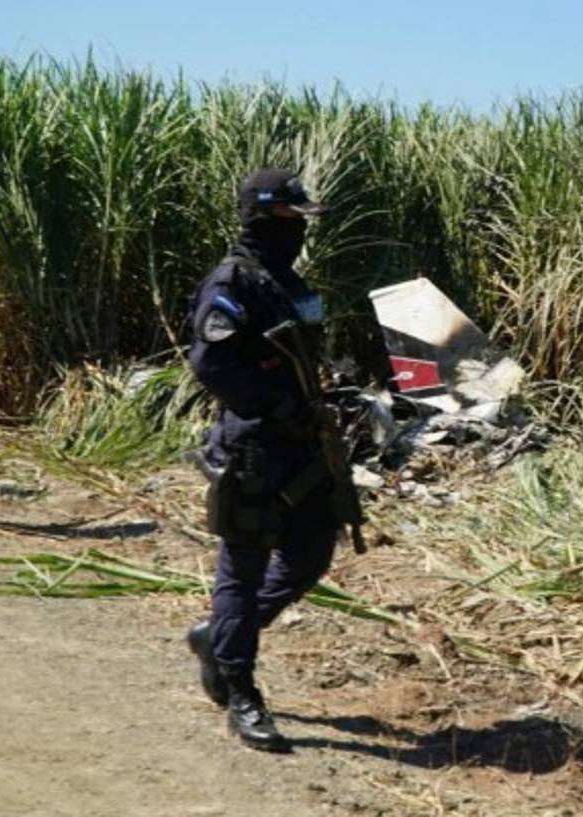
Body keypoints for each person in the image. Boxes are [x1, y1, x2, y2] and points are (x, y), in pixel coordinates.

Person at [184, 168, 337, 752]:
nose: (299, 228)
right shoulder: (235, 281)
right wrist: (275, 404)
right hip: (254, 446)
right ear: (261, 216)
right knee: (242, 573)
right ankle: (240, 689)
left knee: (308, 558)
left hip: (305, 446)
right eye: (289, 217)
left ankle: (219, 637)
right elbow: (214, 364)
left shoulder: (290, 282)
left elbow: (307, 355)